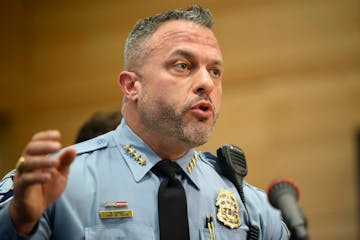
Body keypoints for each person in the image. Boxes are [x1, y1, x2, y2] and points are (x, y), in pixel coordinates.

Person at [0, 6, 289, 239]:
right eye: (183, 65)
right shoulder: (55, 186)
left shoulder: (251, 206)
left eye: (215, 71)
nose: (206, 83)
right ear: (131, 86)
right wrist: (20, 223)